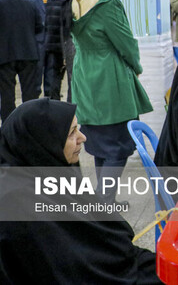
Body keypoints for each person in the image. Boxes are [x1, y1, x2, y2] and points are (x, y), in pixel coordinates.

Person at [0, 98, 161, 284]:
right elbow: (71, 267)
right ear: (44, 143)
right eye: (71, 133)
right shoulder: (20, 202)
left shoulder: (50, 173)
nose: (82, 138)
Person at [71, 0, 153, 204]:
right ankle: (104, 206)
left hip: (84, 74)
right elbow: (125, 43)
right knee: (118, 147)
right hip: (110, 77)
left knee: (98, 143)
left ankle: (103, 199)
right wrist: (136, 65)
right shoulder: (108, 4)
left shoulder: (75, 3)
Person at [0, 0, 43, 122]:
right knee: (30, 93)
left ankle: (8, 126)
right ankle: (30, 122)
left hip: (4, 55)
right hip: (29, 52)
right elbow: (39, 27)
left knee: (7, 94)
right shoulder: (30, 3)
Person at [43, 0, 75, 101]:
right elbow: (67, 25)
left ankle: (54, 106)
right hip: (65, 44)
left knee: (55, 77)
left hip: (52, 43)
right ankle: (70, 110)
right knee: (72, 79)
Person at [22, 0, 53, 92]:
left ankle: (50, 99)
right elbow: (25, 15)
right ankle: (34, 100)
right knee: (36, 72)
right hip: (37, 39)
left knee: (51, 73)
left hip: (52, 40)